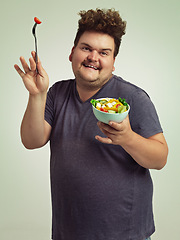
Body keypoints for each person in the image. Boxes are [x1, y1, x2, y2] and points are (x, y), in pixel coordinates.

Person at [14, 8, 168, 240]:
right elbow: (32, 140)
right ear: (72, 53)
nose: (93, 57)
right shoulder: (57, 93)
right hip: (69, 232)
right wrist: (37, 95)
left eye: (104, 52)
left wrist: (127, 138)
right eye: (86, 48)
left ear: (113, 62)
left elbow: (160, 158)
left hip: (124, 234)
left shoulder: (132, 98)